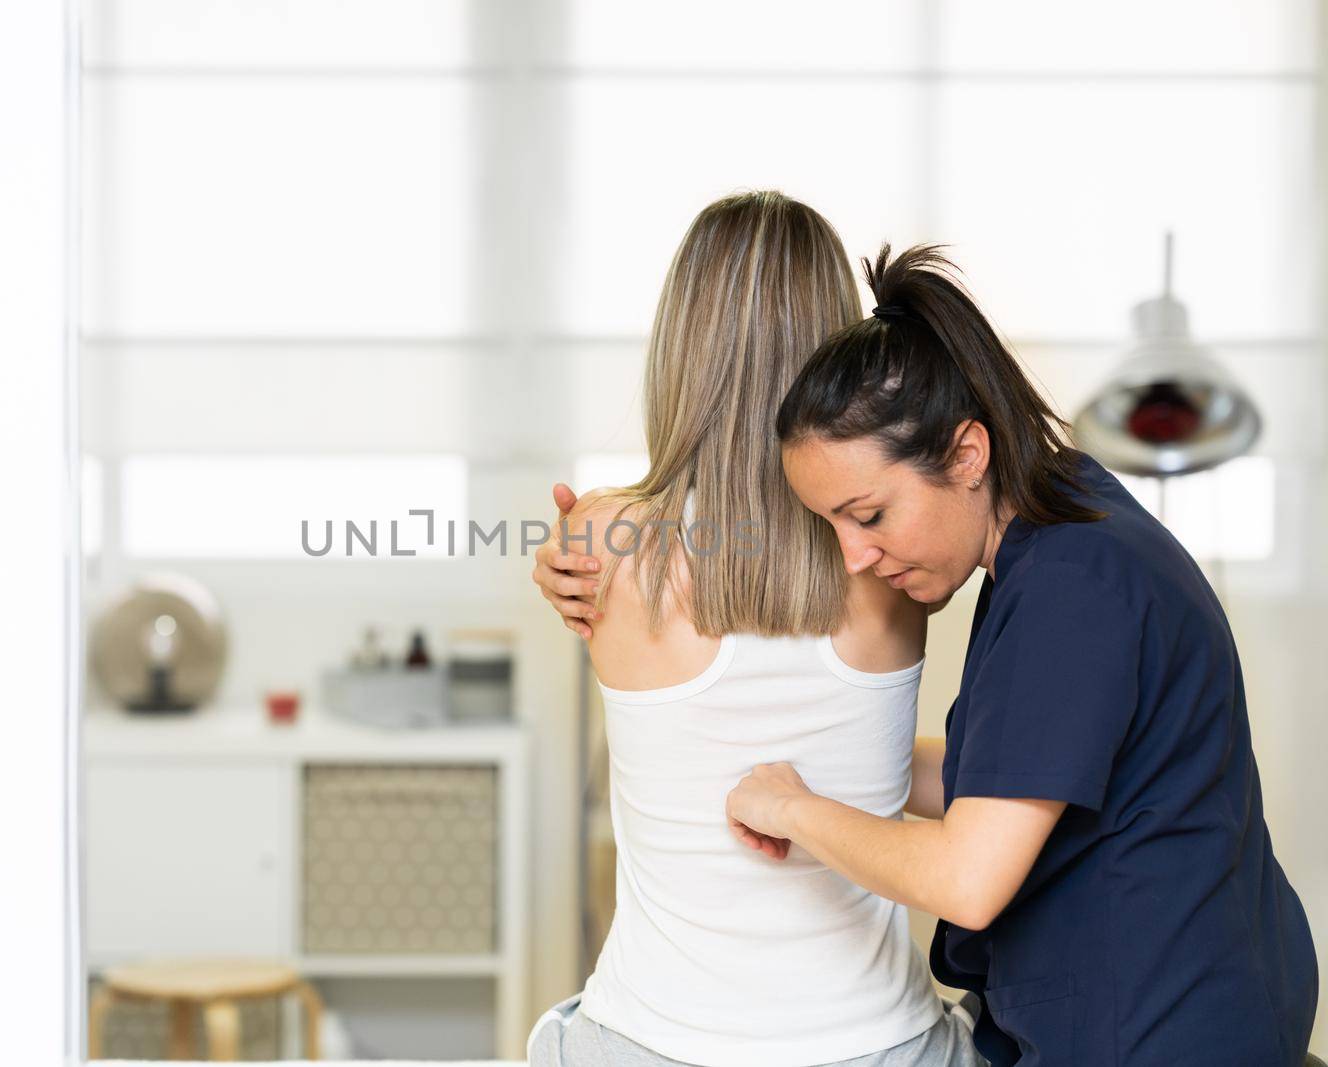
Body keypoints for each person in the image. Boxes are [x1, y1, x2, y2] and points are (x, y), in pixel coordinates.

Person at [724, 243, 1318, 1065]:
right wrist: (820, 759)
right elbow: (1001, 779)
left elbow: (969, 874)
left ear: (967, 454)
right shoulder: (1060, 534)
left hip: (1160, 1033)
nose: (855, 555)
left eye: (868, 514)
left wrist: (796, 812)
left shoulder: (1075, 585)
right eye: (832, 526)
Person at [526, 194, 984, 1067]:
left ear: (681, 348)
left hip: (648, 1042)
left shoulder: (604, 537)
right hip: (882, 1045)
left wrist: (565, 545)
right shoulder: (885, 546)